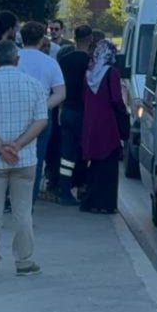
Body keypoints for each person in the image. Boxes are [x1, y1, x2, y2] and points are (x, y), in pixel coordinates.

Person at [0, 40, 48, 277]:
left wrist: (0, 147)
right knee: (22, 212)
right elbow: (41, 121)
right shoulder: (34, 85)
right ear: (17, 59)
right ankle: (24, 262)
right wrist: (18, 145)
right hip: (25, 160)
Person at [17, 21, 65, 202]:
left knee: (12, 156)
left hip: (16, 115)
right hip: (41, 117)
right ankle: (30, 199)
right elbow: (61, 93)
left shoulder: (13, 58)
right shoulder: (50, 63)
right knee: (36, 159)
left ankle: (11, 197)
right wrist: (42, 106)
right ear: (41, 39)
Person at [81, 39, 129, 214]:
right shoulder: (111, 73)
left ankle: (91, 200)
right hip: (108, 125)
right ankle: (106, 203)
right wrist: (124, 115)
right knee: (108, 166)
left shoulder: (90, 73)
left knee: (94, 165)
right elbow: (116, 99)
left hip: (90, 123)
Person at [56, 25, 94, 205]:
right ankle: (82, 187)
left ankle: (64, 189)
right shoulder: (91, 62)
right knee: (84, 152)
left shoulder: (65, 60)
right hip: (85, 112)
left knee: (67, 153)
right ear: (90, 39)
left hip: (67, 109)